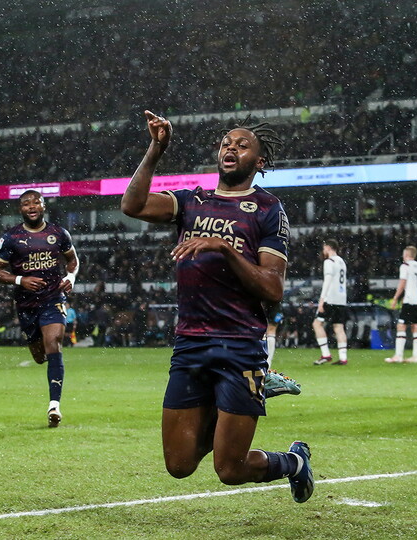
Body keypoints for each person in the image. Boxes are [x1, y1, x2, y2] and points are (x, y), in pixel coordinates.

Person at [120, 110, 312, 503]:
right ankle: (248, 396)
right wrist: (156, 150)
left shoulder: (268, 209)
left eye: (242, 145)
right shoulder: (192, 201)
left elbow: (273, 288)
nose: (231, 148)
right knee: (179, 465)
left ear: (259, 162)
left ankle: (294, 462)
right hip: (190, 343)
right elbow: (132, 205)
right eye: (227, 143)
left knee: (230, 469)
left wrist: (224, 248)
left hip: (240, 346)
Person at [0, 190, 80, 428]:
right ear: (21, 209)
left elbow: (72, 260)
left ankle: (54, 406)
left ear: (43, 206)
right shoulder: (11, 237)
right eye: (26, 203)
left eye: (36, 202)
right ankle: (44, 355)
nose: (31, 206)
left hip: (53, 298)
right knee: (39, 356)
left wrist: (71, 276)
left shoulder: (58, 233)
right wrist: (21, 280)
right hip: (26, 303)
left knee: (54, 343)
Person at [312, 239, 349, 365]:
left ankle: (326, 354)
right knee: (339, 327)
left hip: (330, 298)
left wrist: (321, 300)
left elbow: (327, 281)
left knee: (317, 324)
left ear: (328, 247)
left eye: (324, 248)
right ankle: (343, 358)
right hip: (341, 299)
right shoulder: (342, 261)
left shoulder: (329, 262)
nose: (323, 251)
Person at [387, 246, 417, 364]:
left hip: (410, 300)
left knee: (401, 326)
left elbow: (402, 282)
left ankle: (398, 356)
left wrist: (395, 298)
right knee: (416, 326)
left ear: (407, 255)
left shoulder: (405, 265)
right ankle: (416, 356)